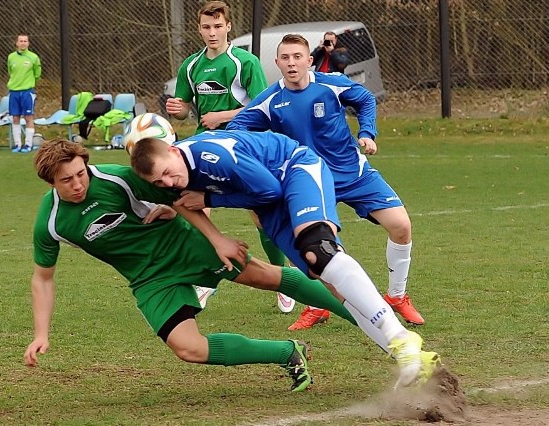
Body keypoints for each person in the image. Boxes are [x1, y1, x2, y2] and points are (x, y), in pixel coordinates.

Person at [23, 138, 379, 393]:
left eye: (81, 173)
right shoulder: (51, 222)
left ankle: (373, 323)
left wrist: (216, 239)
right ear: (50, 183)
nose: (78, 183)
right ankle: (288, 352)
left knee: (266, 278)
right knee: (188, 348)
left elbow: (177, 195)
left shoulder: (113, 178)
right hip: (148, 279)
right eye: (67, 180)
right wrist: (41, 333)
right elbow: (43, 279)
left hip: (181, 245)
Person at [131, 130, 441, 389]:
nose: (169, 183)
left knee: (317, 250)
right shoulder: (173, 176)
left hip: (294, 170)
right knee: (332, 285)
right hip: (268, 206)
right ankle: (410, 357)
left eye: (168, 173)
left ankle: (401, 339)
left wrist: (212, 199)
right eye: (159, 182)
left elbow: (268, 188)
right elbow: (182, 201)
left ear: (173, 150)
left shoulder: (214, 156)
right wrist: (214, 236)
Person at [228, 34, 425, 329]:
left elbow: (365, 99)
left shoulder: (330, 84)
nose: (292, 63)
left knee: (401, 226)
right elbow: (237, 130)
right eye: (286, 58)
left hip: (353, 172)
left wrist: (367, 133)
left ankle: (397, 296)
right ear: (277, 62)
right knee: (312, 244)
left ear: (309, 60)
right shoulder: (271, 100)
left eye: (297, 57)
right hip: (309, 181)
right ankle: (316, 306)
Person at [166, 1, 292, 312]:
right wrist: (178, 109)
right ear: (199, 29)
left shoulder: (243, 62)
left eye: (217, 26)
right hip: (203, 149)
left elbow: (264, 106)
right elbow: (184, 106)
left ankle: (283, 280)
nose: (212, 32)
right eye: (206, 27)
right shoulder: (190, 66)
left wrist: (222, 114)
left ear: (228, 27)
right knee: (195, 212)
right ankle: (206, 280)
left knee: (262, 217)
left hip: (243, 147)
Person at [7, 33, 41, 153]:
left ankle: (28, 144)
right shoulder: (11, 57)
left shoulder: (33, 57)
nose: (23, 43)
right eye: (20, 41)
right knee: (15, 118)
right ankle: (17, 144)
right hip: (14, 92)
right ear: (16, 43)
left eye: (25, 41)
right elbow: (10, 71)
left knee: (28, 117)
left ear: (28, 43)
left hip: (27, 92)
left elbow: (37, 74)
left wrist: (28, 83)